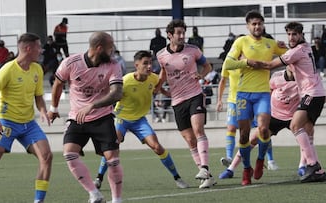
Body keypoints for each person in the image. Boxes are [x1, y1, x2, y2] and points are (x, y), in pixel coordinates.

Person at [0, 33, 53, 203]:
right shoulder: (7, 69)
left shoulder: (37, 69)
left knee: (47, 157)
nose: (41, 50)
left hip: (29, 124)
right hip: (7, 122)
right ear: (28, 49)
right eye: (38, 46)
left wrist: (43, 110)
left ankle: (38, 201)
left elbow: (38, 97)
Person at [93, 50, 189, 190]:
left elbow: (157, 86)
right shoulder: (125, 81)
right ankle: (99, 178)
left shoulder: (153, 78)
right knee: (112, 147)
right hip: (122, 119)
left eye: (150, 63)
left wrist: (166, 92)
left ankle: (177, 178)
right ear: (136, 65)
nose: (149, 66)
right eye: (145, 63)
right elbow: (110, 94)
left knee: (157, 147)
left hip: (139, 120)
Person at [47, 31, 123, 203]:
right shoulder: (71, 63)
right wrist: (53, 108)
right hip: (77, 118)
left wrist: (93, 106)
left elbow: (117, 93)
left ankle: (117, 200)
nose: (113, 52)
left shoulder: (113, 65)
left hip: (103, 117)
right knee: (69, 154)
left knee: (113, 159)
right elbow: (58, 83)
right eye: (110, 48)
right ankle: (94, 194)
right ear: (99, 48)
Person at [250, 21, 326, 183]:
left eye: (294, 34)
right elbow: (292, 55)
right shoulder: (305, 47)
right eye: (289, 34)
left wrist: (249, 62)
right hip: (315, 93)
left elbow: (271, 65)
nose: (291, 37)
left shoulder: (296, 51)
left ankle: (313, 165)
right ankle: (315, 168)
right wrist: (286, 47)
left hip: (311, 93)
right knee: (304, 128)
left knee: (295, 126)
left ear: (301, 35)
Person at [222, 10, 287, 185]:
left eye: (259, 23)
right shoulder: (241, 41)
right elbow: (228, 63)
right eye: (253, 24)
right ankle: (246, 168)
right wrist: (246, 62)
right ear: (248, 26)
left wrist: (287, 44)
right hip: (243, 94)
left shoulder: (270, 43)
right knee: (243, 136)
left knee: (264, 129)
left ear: (263, 25)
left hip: (263, 94)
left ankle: (260, 160)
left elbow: (292, 53)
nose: (257, 26)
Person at [156, 19, 215, 189]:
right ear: (170, 35)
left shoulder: (193, 50)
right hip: (177, 101)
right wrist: (160, 89)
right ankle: (207, 176)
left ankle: (204, 168)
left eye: (183, 33)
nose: (182, 36)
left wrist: (201, 75)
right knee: (190, 140)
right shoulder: (161, 55)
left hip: (195, 95)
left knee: (198, 130)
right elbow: (163, 74)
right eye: (178, 33)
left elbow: (208, 66)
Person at [218, 70, 299, 179]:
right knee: (254, 135)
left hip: (294, 114)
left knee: (305, 136)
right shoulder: (277, 76)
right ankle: (231, 168)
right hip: (274, 114)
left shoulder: (304, 77)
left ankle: (304, 166)